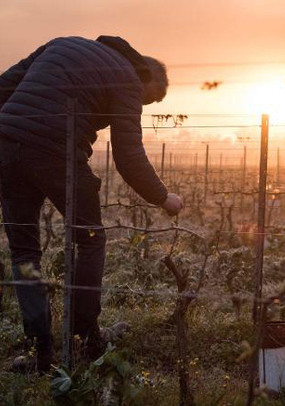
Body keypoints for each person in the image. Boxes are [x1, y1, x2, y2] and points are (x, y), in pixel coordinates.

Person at [0, 35, 183, 373]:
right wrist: (163, 197)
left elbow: (4, 86)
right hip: (57, 151)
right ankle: (85, 338)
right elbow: (128, 157)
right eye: (148, 100)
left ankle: (40, 353)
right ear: (147, 79)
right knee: (91, 240)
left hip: (6, 145)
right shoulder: (129, 78)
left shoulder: (61, 44)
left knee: (24, 251)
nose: (142, 106)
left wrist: (13, 131)